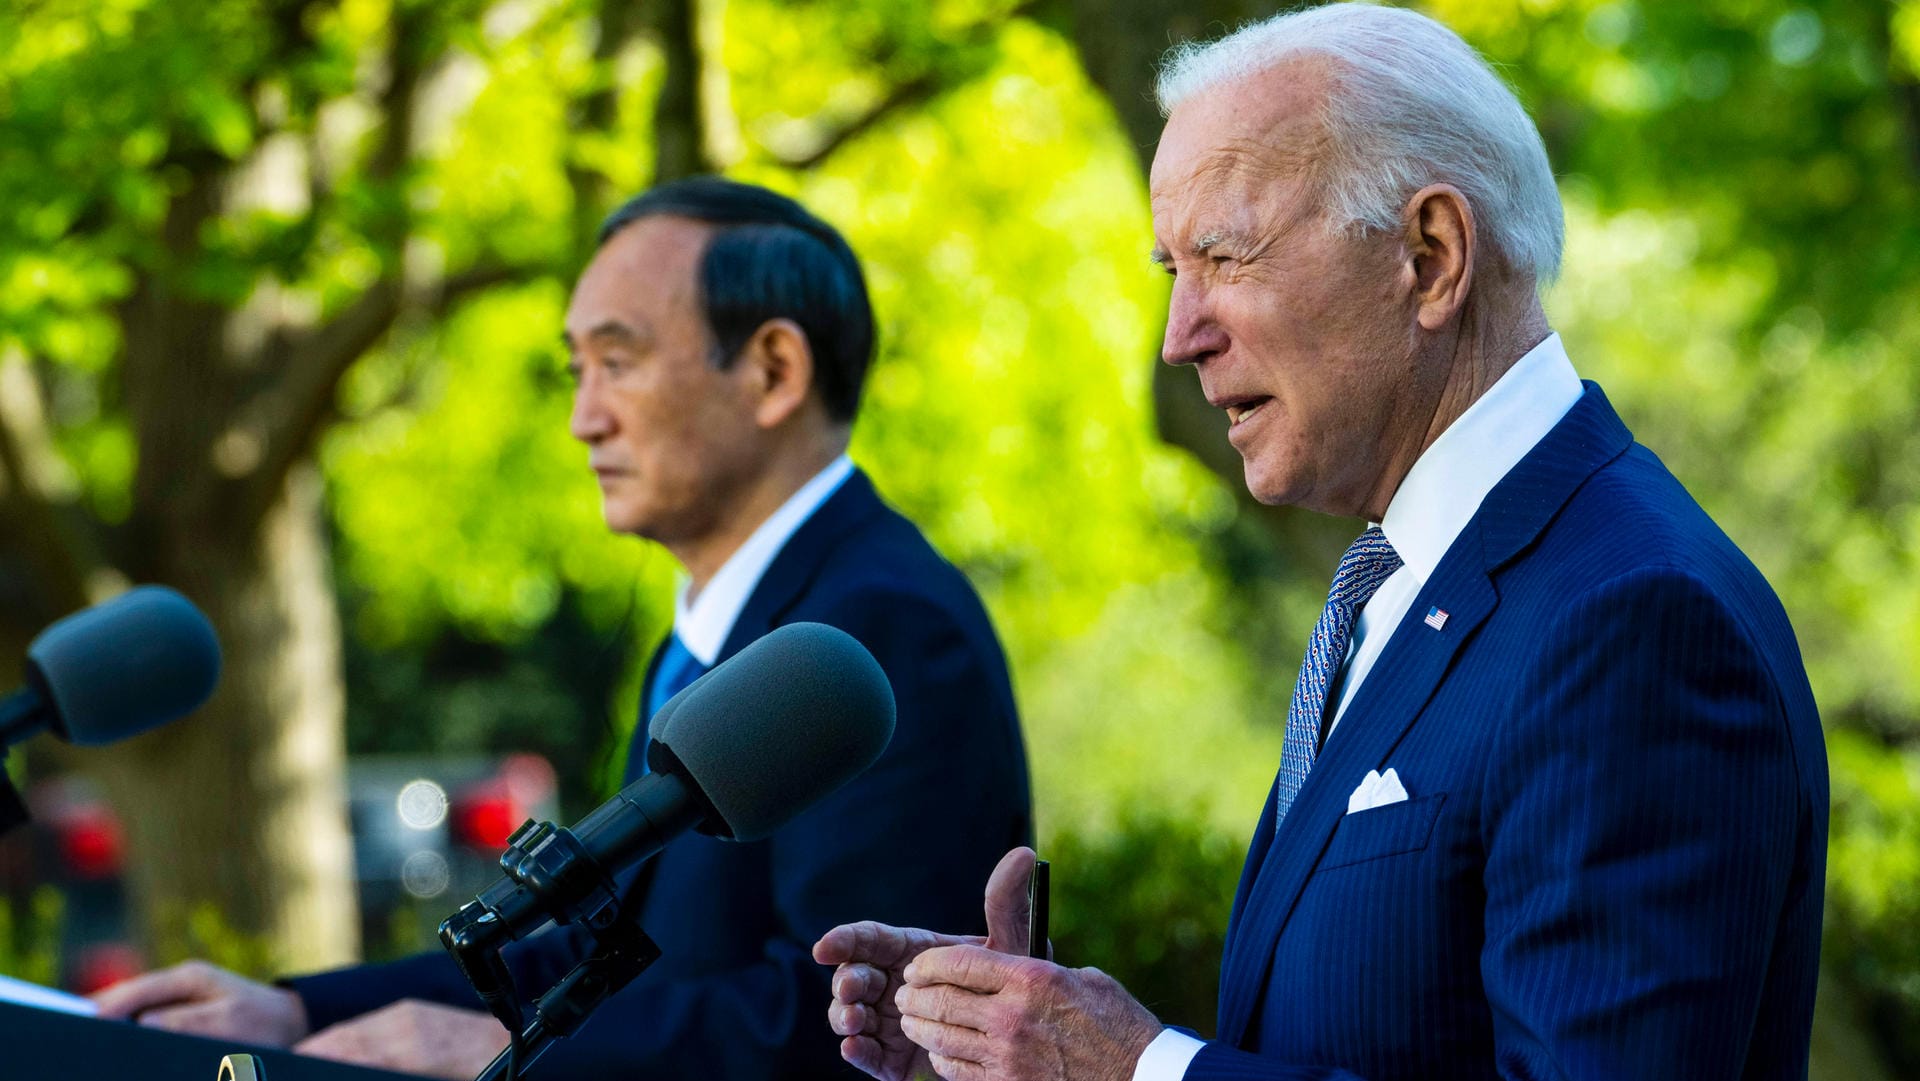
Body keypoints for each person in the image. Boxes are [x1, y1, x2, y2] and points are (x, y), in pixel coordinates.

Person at [814, 6, 1827, 1081]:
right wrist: (1028, 1043)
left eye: (1225, 254)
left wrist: (1136, 1069)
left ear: (1430, 257)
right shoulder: (1410, 583)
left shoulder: (1630, 617)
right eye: (1172, 271)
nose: (1179, 338)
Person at [93, 177, 1033, 1079]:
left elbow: (854, 1026)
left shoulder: (879, 633)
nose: (584, 418)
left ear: (774, 369)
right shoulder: (712, 634)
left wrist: (503, 1057)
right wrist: (298, 1013)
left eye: (617, 363)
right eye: (576, 368)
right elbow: (603, 964)